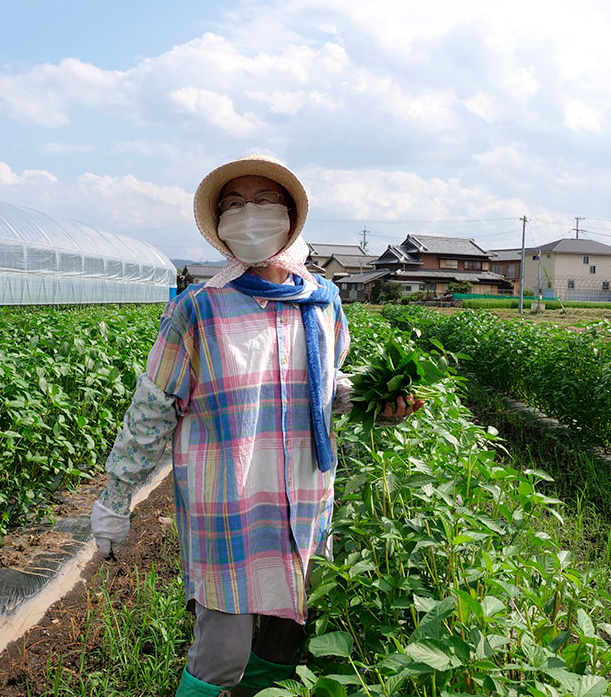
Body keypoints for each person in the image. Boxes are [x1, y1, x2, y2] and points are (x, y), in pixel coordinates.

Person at [90, 155, 422, 697]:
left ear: (291, 217)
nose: (249, 213)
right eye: (233, 204)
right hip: (230, 505)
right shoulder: (199, 309)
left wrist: (370, 401)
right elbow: (153, 408)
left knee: (286, 637)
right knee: (221, 655)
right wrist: (115, 496)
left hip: (305, 500)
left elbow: (325, 384)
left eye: (263, 200)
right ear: (219, 226)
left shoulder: (322, 303)